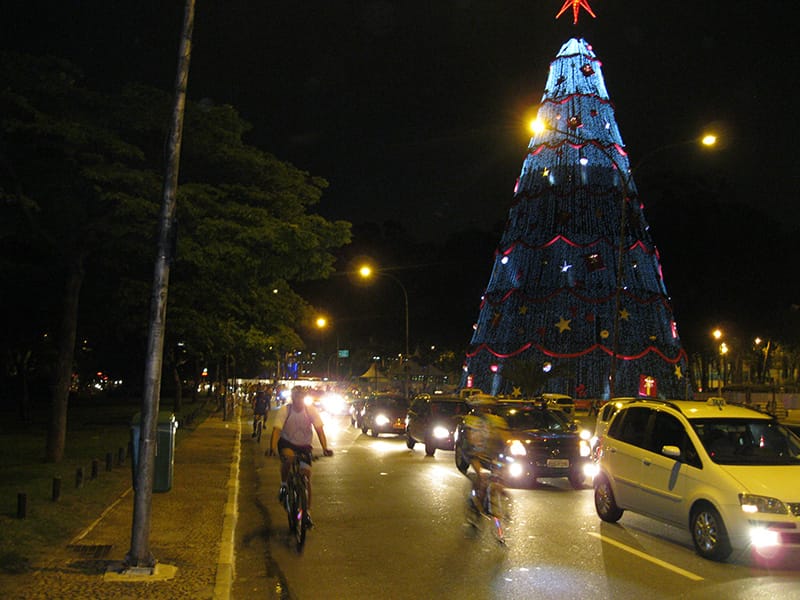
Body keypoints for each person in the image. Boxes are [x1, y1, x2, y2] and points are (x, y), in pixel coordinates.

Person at [268, 386, 333, 525]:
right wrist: (272, 448)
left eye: (302, 398)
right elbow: (277, 430)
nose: (299, 401)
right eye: (297, 398)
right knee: (288, 458)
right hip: (287, 442)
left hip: (304, 446)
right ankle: (284, 484)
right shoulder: (285, 410)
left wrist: (325, 448)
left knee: (306, 476)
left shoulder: (310, 410)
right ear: (293, 398)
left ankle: (307, 512)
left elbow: (319, 430)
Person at [463, 398, 508, 513]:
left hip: (491, 455)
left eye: (486, 407)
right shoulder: (471, 420)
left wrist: (507, 447)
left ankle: (493, 499)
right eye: (480, 407)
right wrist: (475, 448)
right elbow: (469, 438)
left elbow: (505, 437)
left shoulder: (497, 420)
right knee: (482, 476)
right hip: (475, 455)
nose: (483, 409)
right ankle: (476, 501)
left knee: (500, 475)